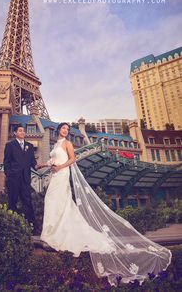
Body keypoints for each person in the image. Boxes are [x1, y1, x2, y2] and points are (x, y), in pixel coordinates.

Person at [40, 122, 172, 286]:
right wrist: (44, 164)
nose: (66, 130)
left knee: (61, 201)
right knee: (52, 200)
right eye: (64, 128)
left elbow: (72, 159)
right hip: (55, 175)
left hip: (62, 174)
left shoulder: (68, 143)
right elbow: (52, 159)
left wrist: (60, 167)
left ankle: (57, 232)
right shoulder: (56, 144)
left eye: (68, 128)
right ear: (59, 129)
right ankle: (52, 230)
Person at [4, 124, 40, 234]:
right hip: (13, 178)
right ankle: (10, 227)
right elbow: (6, 162)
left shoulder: (29, 146)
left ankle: (32, 227)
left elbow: (33, 162)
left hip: (25, 178)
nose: (23, 132)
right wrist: (9, 175)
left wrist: (39, 166)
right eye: (20, 131)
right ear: (15, 133)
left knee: (27, 202)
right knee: (12, 202)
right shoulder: (10, 145)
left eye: (23, 131)